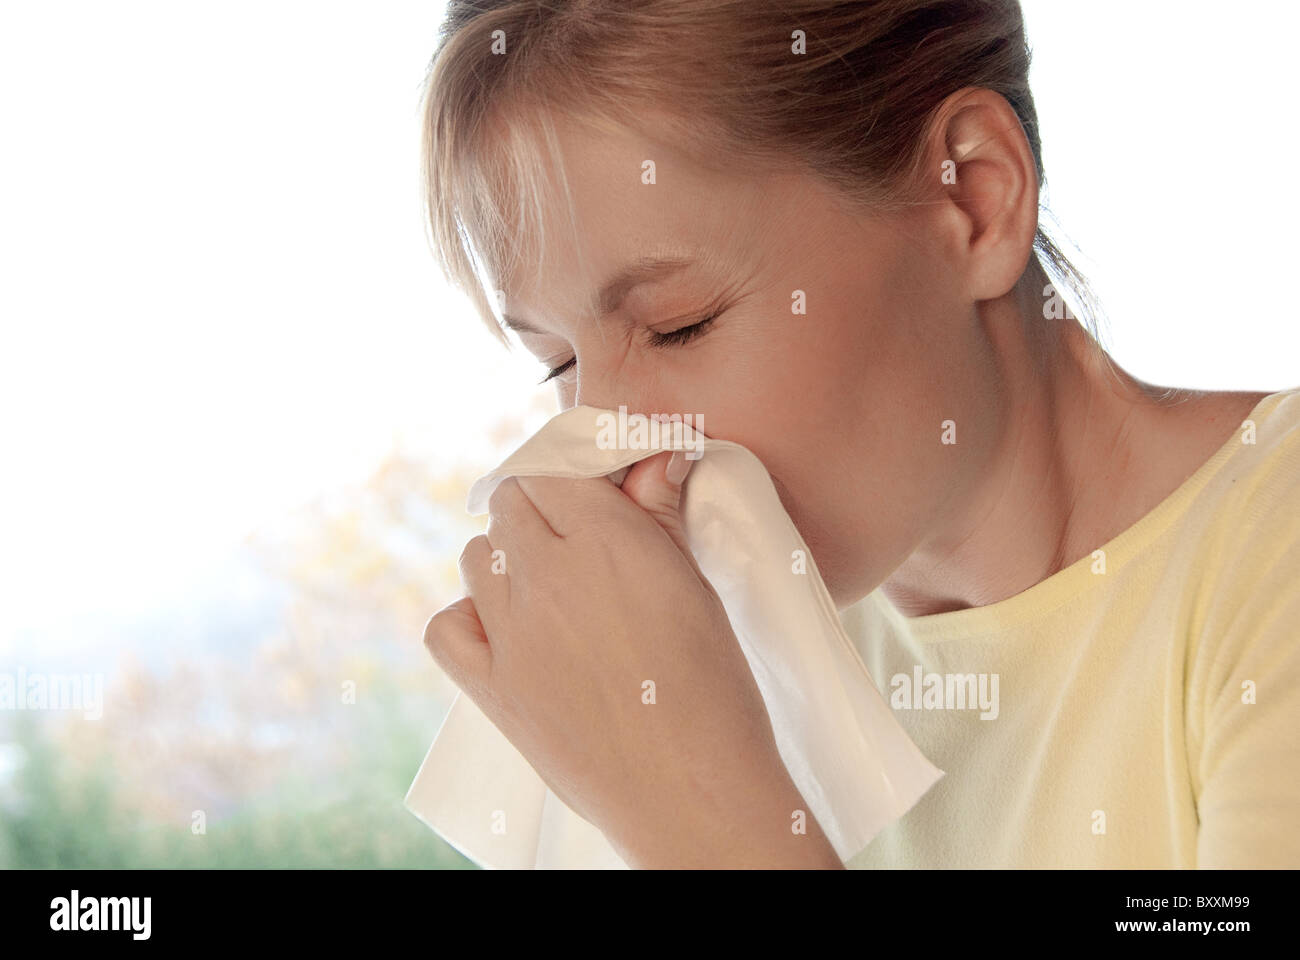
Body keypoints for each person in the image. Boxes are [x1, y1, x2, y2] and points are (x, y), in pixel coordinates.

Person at [417, 0, 1300, 868]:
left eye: (678, 325)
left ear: (975, 200)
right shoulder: (731, 660)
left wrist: (689, 801)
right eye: (558, 364)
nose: (611, 439)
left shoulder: (1265, 564)